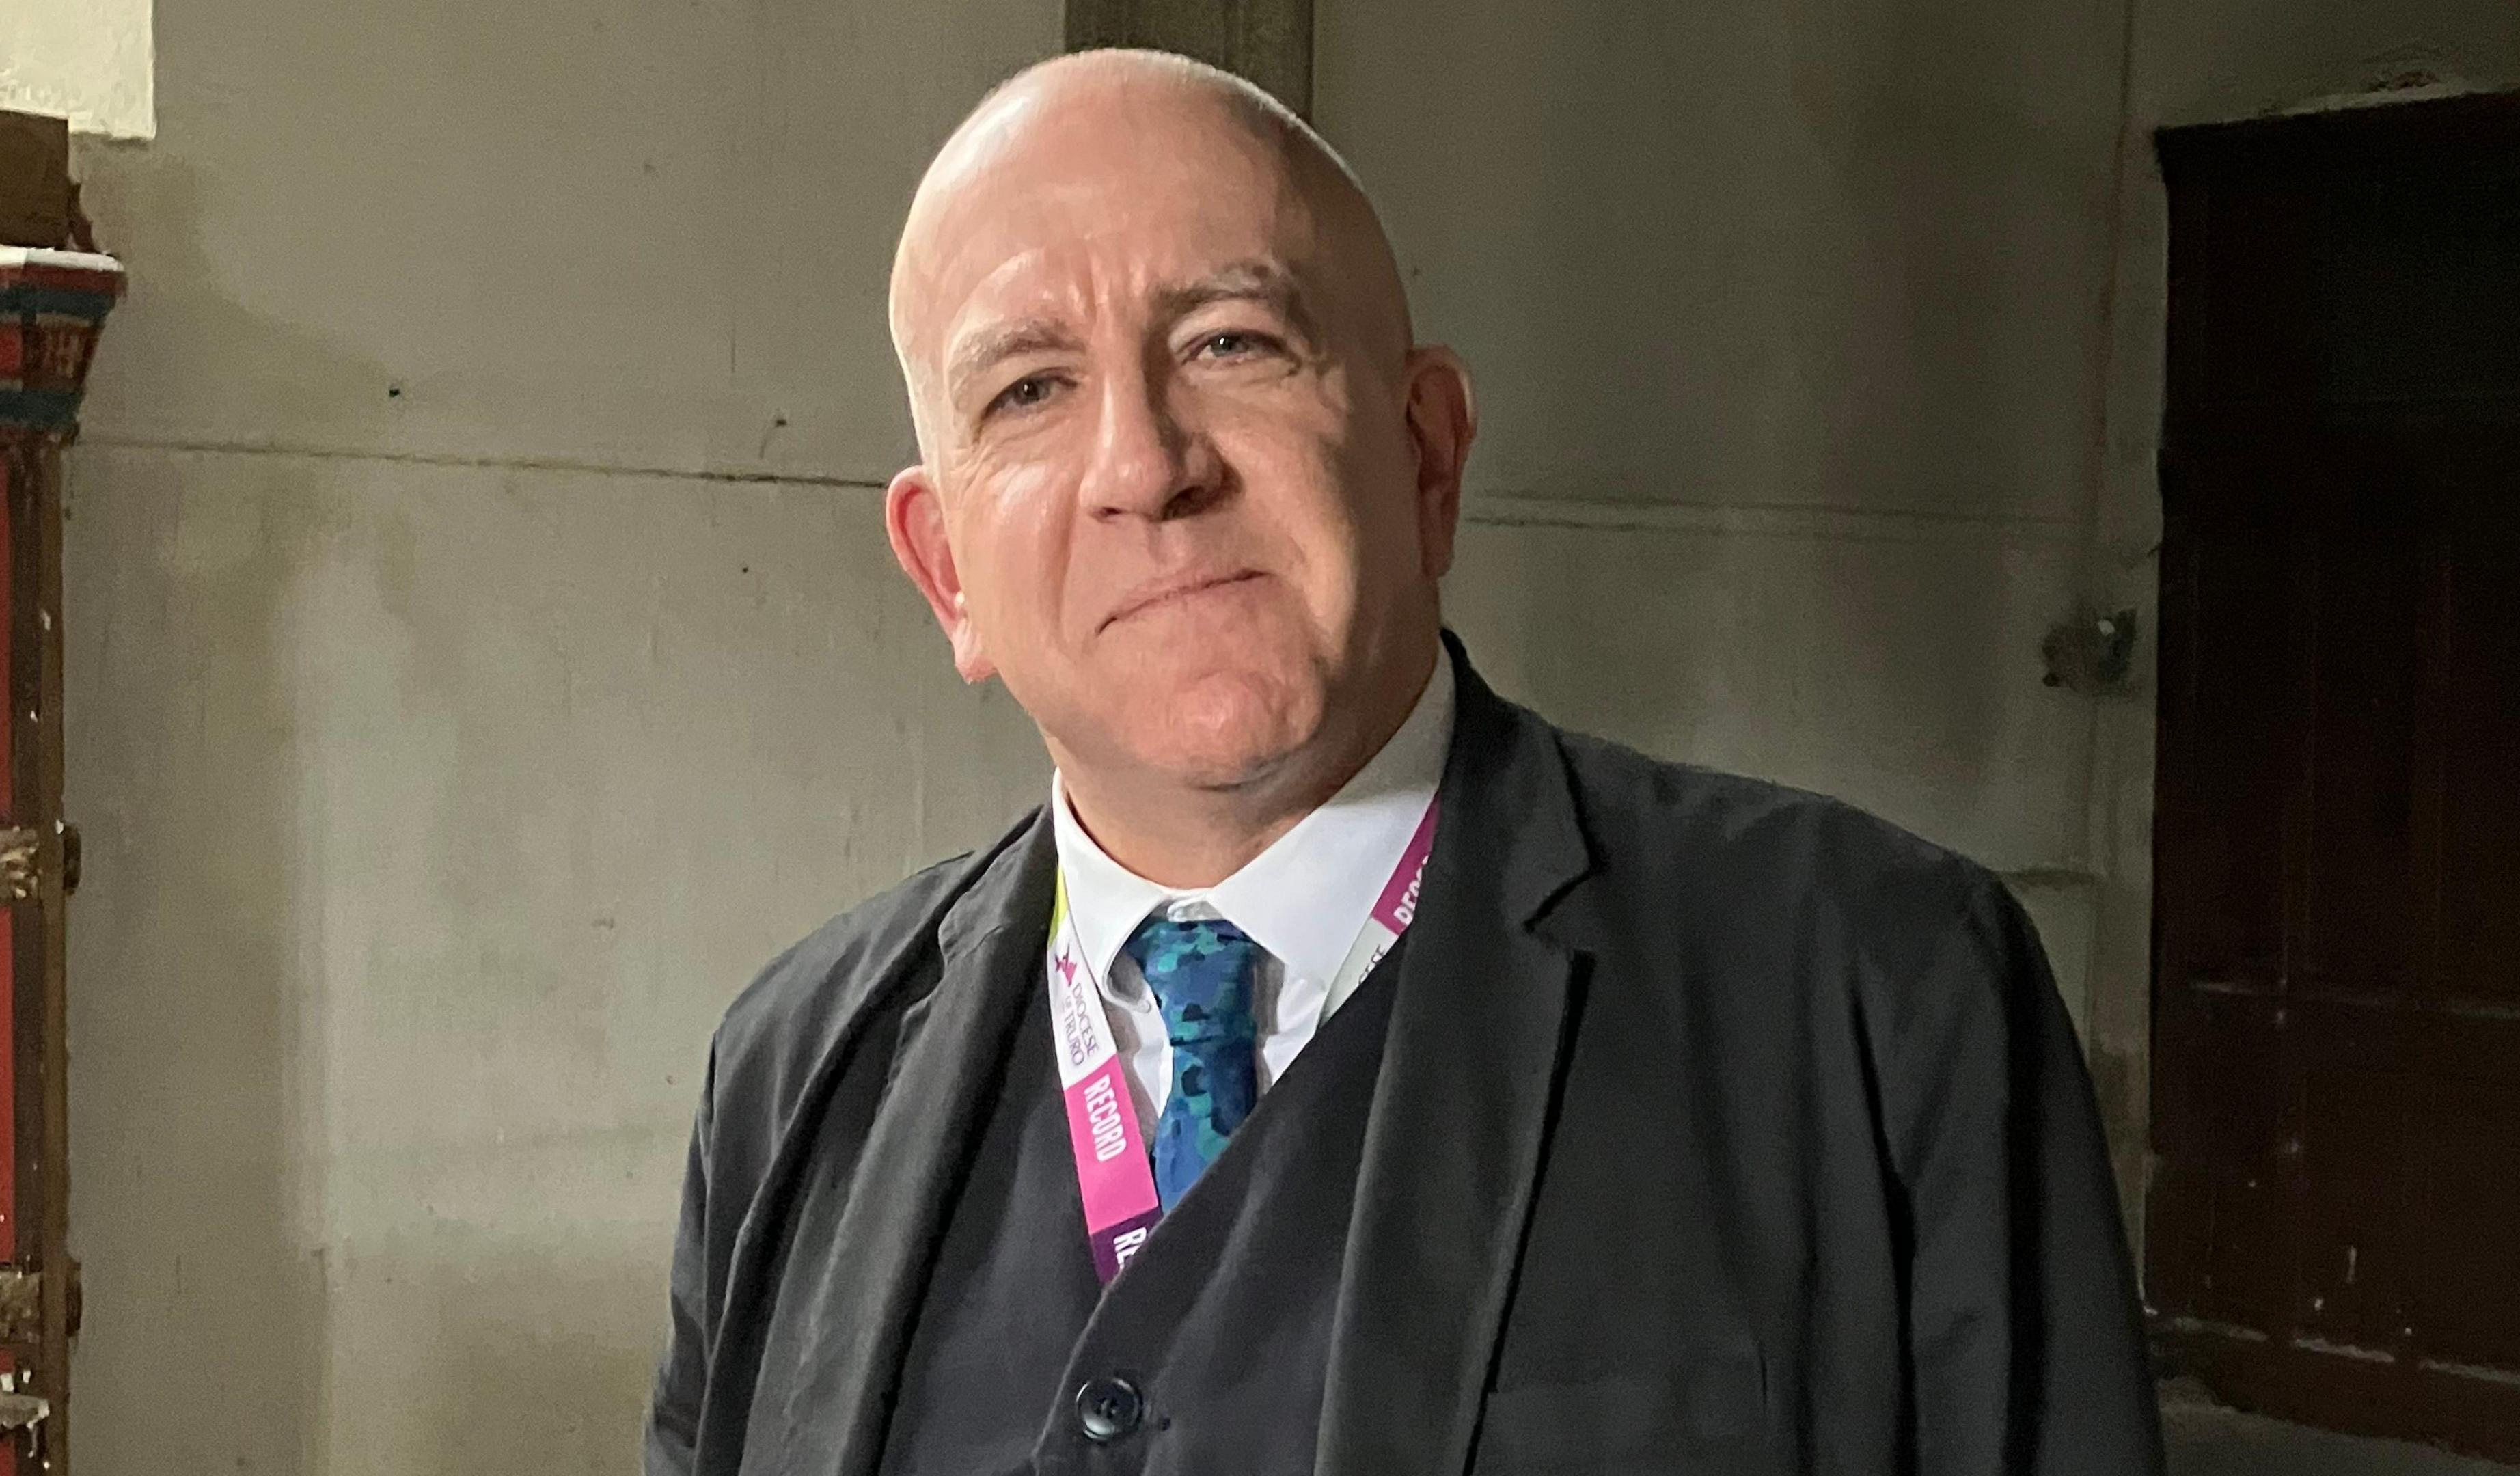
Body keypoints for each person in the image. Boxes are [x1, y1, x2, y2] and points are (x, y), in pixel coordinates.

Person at [644, 47, 2163, 1476]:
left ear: (1428, 453)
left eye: (1230, 341)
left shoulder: (1874, 994)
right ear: (946, 572)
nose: (1148, 467)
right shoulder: (791, 1079)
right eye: (1028, 390)